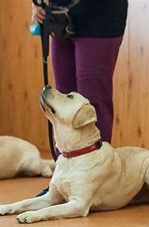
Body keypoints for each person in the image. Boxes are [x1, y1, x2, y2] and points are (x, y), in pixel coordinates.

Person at [32, 0, 128, 145]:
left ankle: (97, 165)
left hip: (99, 19)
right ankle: (65, 164)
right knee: (62, 102)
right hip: (59, 16)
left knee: (92, 104)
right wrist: (37, 3)